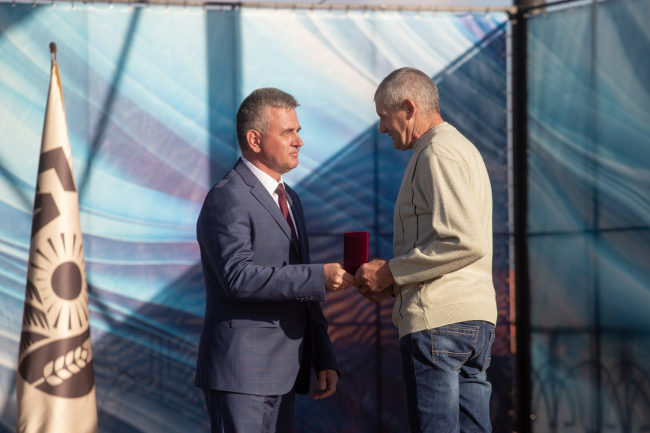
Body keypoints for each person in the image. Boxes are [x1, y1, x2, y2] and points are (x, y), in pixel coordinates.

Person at [194, 88, 355, 432]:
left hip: (285, 372)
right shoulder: (227, 197)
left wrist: (322, 355)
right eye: (287, 132)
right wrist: (317, 277)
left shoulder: (290, 199)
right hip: (242, 375)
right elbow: (238, 278)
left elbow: (301, 288)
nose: (299, 141)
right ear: (255, 140)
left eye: (298, 131)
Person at [355, 68, 497, 432]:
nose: (382, 128)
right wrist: (394, 280)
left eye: (384, 117)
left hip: (438, 322)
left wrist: (390, 272)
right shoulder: (461, 148)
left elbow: (463, 240)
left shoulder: (436, 152)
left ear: (408, 107)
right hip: (473, 321)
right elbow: (458, 241)